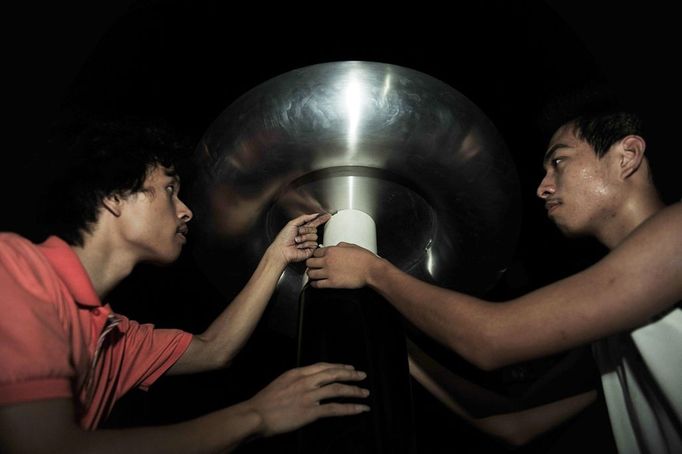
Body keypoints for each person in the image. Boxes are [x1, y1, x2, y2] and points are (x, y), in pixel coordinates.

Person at [306, 102, 682, 452]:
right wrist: (390, 338)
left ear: (627, 156)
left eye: (559, 162)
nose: (543, 187)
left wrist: (373, 270)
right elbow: (511, 421)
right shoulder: (613, 326)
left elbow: (492, 339)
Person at [0, 116, 370, 453]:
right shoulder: (14, 268)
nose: (185, 210)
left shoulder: (112, 337)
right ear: (114, 197)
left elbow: (214, 349)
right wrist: (255, 416)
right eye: (168, 190)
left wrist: (277, 256)